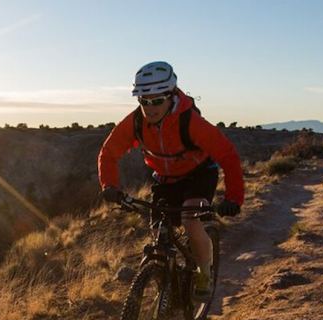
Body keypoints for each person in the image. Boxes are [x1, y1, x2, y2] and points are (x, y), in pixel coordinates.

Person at [99, 61, 244, 298]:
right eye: (144, 101)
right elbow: (108, 152)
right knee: (158, 231)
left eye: (157, 100)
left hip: (199, 174)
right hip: (166, 178)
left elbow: (228, 155)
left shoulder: (190, 122)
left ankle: (204, 273)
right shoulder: (136, 122)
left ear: (171, 95)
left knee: (190, 218)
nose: (150, 108)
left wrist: (234, 198)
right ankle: (166, 284)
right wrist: (109, 185)